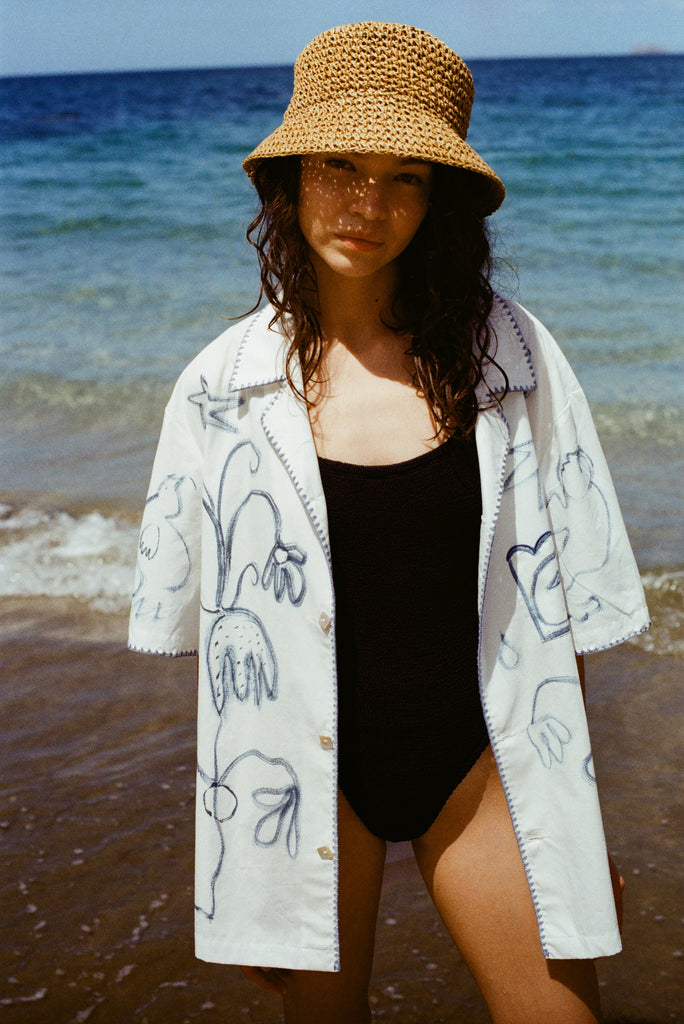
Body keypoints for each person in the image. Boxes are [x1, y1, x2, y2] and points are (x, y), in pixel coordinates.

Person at [128, 21, 649, 1024]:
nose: (367, 205)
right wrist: (250, 880)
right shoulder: (218, 389)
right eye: (338, 166)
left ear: (438, 197)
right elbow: (230, 669)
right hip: (307, 785)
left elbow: (567, 602)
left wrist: (572, 829)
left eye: (404, 176)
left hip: (482, 771)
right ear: (290, 175)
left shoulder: (514, 356)